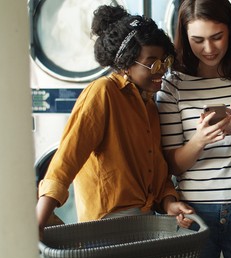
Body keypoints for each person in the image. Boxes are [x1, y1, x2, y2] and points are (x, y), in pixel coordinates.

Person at [36, 5, 194, 235]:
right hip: (108, 223)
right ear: (126, 62)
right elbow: (66, 160)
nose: (161, 70)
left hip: (146, 220)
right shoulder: (103, 92)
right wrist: (38, 221)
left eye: (164, 61)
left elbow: (157, 170)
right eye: (152, 62)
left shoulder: (149, 104)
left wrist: (170, 203)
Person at [156, 0, 231, 258]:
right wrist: (199, 140)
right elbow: (173, 166)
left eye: (217, 37)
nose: (208, 49)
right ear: (185, 37)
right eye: (198, 40)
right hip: (194, 209)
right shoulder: (173, 83)